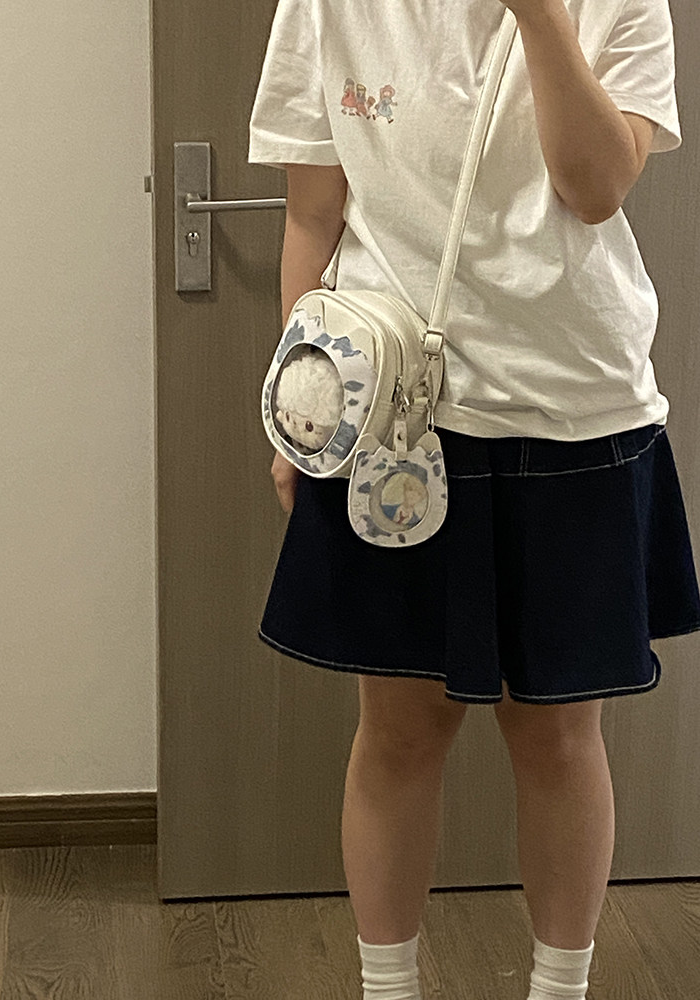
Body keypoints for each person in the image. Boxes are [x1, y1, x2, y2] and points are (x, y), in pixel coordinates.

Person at [248, 2, 700, 999]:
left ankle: (560, 990)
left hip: (574, 412)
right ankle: (388, 988)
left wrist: (541, 18)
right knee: (399, 731)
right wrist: (303, 408)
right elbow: (313, 214)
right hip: (393, 418)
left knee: (556, 735)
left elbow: (595, 188)